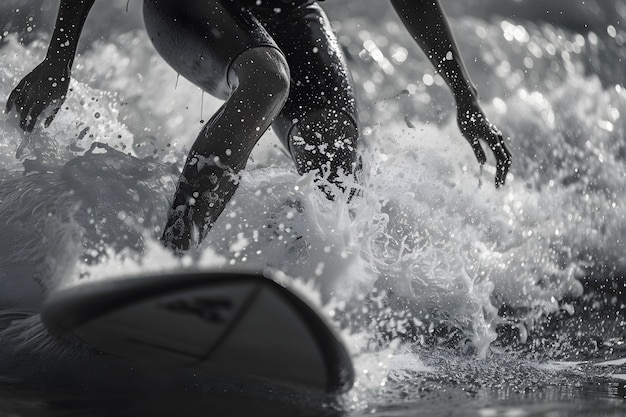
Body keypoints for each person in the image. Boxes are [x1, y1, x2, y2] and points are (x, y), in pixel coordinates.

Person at [5, 0, 511, 253]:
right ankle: (173, 254)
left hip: (289, 9)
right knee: (267, 81)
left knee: (337, 172)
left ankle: (290, 288)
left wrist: (466, 99)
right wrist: (58, 60)